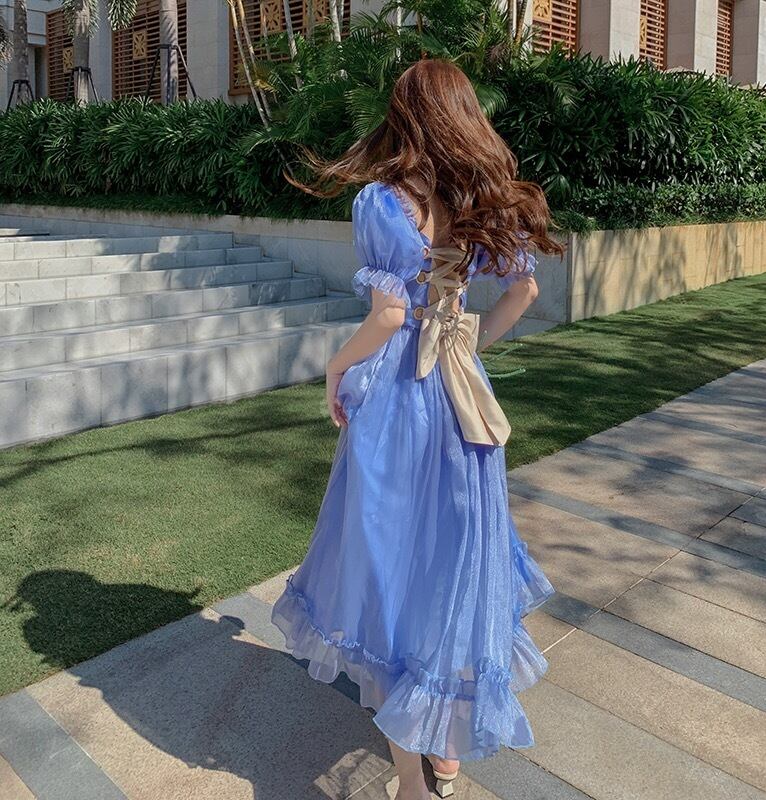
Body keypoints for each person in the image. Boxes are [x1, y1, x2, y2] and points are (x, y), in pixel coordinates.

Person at [271, 58, 563, 800]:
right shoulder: (480, 198)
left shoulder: (382, 201)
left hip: (402, 400)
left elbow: (391, 314)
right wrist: (470, 342)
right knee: (454, 560)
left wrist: (336, 366)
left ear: (405, 116)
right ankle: (449, 754)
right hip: (463, 398)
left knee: (389, 566)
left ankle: (410, 781)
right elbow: (524, 288)